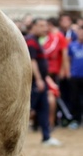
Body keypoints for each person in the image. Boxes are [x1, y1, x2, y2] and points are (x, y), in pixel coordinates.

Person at [25, 18, 61, 146]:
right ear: (33, 26)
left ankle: (46, 137)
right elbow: (32, 61)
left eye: (46, 26)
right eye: (41, 25)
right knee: (27, 110)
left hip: (42, 82)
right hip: (35, 82)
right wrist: (39, 79)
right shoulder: (30, 41)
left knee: (43, 108)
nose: (45, 28)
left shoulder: (36, 41)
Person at [42, 17, 70, 128]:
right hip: (49, 71)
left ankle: (53, 122)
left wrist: (64, 69)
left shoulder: (57, 37)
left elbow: (63, 54)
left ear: (50, 25)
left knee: (53, 95)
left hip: (52, 72)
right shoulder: (48, 37)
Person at [68, 25, 83, 129]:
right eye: (80, 32)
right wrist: (68, 71)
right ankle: (76, 119)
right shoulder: (72, 45)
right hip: (75, 76)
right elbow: (68, 59)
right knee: (75, 99)